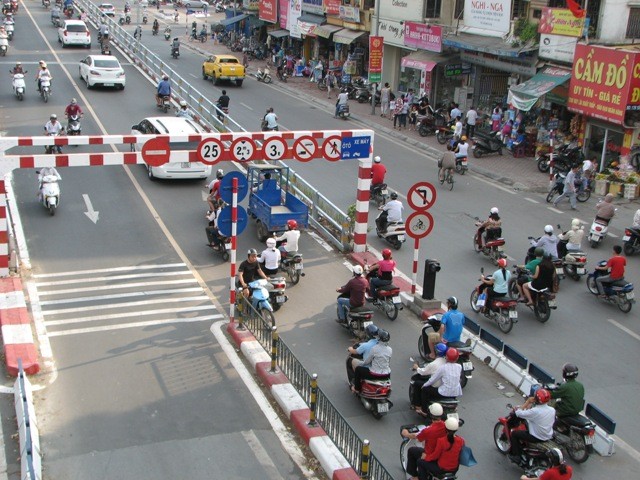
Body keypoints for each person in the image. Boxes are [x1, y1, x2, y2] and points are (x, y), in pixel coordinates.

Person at [509, 388, 556, 466]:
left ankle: (516, 456)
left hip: (536, 437)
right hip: (548, 435)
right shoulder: (552, 410)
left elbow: (518, 413)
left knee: (514, 434)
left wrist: (527, 401)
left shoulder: (535, 411)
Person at [401, 403, 447, 480]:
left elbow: (417, 437)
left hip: (432, 456)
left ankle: (415, 477)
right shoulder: (446, 426)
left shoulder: (428, 430)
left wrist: (406, 433)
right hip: (444, 457)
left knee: (412, 451)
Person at [410, 343, 448, 411]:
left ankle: (419, 407)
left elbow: (423, 372)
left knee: (417, 384)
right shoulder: (448, 363)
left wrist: (417, 367)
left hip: (436, 388)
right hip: (445, 388)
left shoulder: (434, 364)